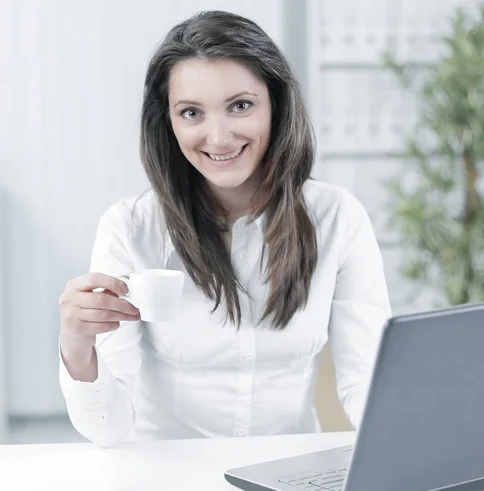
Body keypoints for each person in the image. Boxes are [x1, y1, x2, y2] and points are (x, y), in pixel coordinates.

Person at [58, 10, 391, 447]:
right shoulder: (130, 228)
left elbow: (368, 383)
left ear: (276, 104)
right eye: (192, 112)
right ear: (169, 123)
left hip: (287, 474)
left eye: (240, 106)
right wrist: (77, 345)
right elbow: (108, 428)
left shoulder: (337, 218)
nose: (218, 138)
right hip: (165, 479)